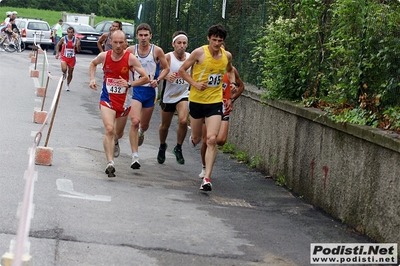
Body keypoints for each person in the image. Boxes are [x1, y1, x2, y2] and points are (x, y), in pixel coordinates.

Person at [178, 24, 236, 191]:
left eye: (220, 41)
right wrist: (195, 83)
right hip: (196, 101)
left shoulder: (227, 56)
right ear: (208, 38)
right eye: (214, 40)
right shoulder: (199, 53)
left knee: (211, 139)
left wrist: (231, 83)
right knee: (197, 139)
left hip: (215, 102)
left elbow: (230, 71)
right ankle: (193, 136)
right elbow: (182, 71)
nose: (217, 44)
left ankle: (207, 178)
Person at [89, 30, 150, 177]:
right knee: (109, 129)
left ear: (125, 43)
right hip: (107, 99)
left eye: (120, 42)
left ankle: (115, 142)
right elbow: (93, 63)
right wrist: (92, 78)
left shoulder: (131, 59)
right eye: (115, 42)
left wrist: (129, 84)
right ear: (110, 42)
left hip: (123, 101)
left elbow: (146, 78)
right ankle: (110, 163)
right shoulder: (105, 56)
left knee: (118, 133)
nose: (117, 45)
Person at [126, 23, 169, 169]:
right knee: (135, 122)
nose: (143, 38)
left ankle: (141, 132)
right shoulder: (131, 50)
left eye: (146, 35)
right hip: (136, 90)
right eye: (141, 35)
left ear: (150, 35)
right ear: (137, 36)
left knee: (143, 125)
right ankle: (135, 157)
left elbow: (166, 68)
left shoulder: (156, 51)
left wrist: (158, 80)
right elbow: (123, 65)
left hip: (150, 91)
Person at [199, 63, 244, 178]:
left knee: (220, 140)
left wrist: (232, 99)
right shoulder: (207, 67)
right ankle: (205, 168)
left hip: (223, 107)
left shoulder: (231, 70)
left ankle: (208, 161)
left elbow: (241, 86)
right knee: (207, 140)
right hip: (209, 105)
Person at [157, 31, 191, 165]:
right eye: (179, 43)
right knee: (165, 126)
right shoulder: (168, 57)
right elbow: (155, 70)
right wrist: (165, 76)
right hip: (168, 96)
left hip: (184, 95)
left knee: (183, 121)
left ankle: (178, 147)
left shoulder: (190, 58)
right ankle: (162, 146)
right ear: (173, 44)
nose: (181, 46)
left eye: (184, 43)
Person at [55, 26, 81, 91]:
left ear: (73, 33)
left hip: (72, 58)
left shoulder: (76, 40)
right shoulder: (63, 39)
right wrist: (57, 53)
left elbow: (78, 50)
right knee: (64, 68)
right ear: (67, 32)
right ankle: (64, 72)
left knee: (70, 73)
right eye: (69, 32)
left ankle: (68, 84)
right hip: (64, 56)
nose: (70, 34)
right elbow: (58, 45)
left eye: (71, 32)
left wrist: (78, 46)